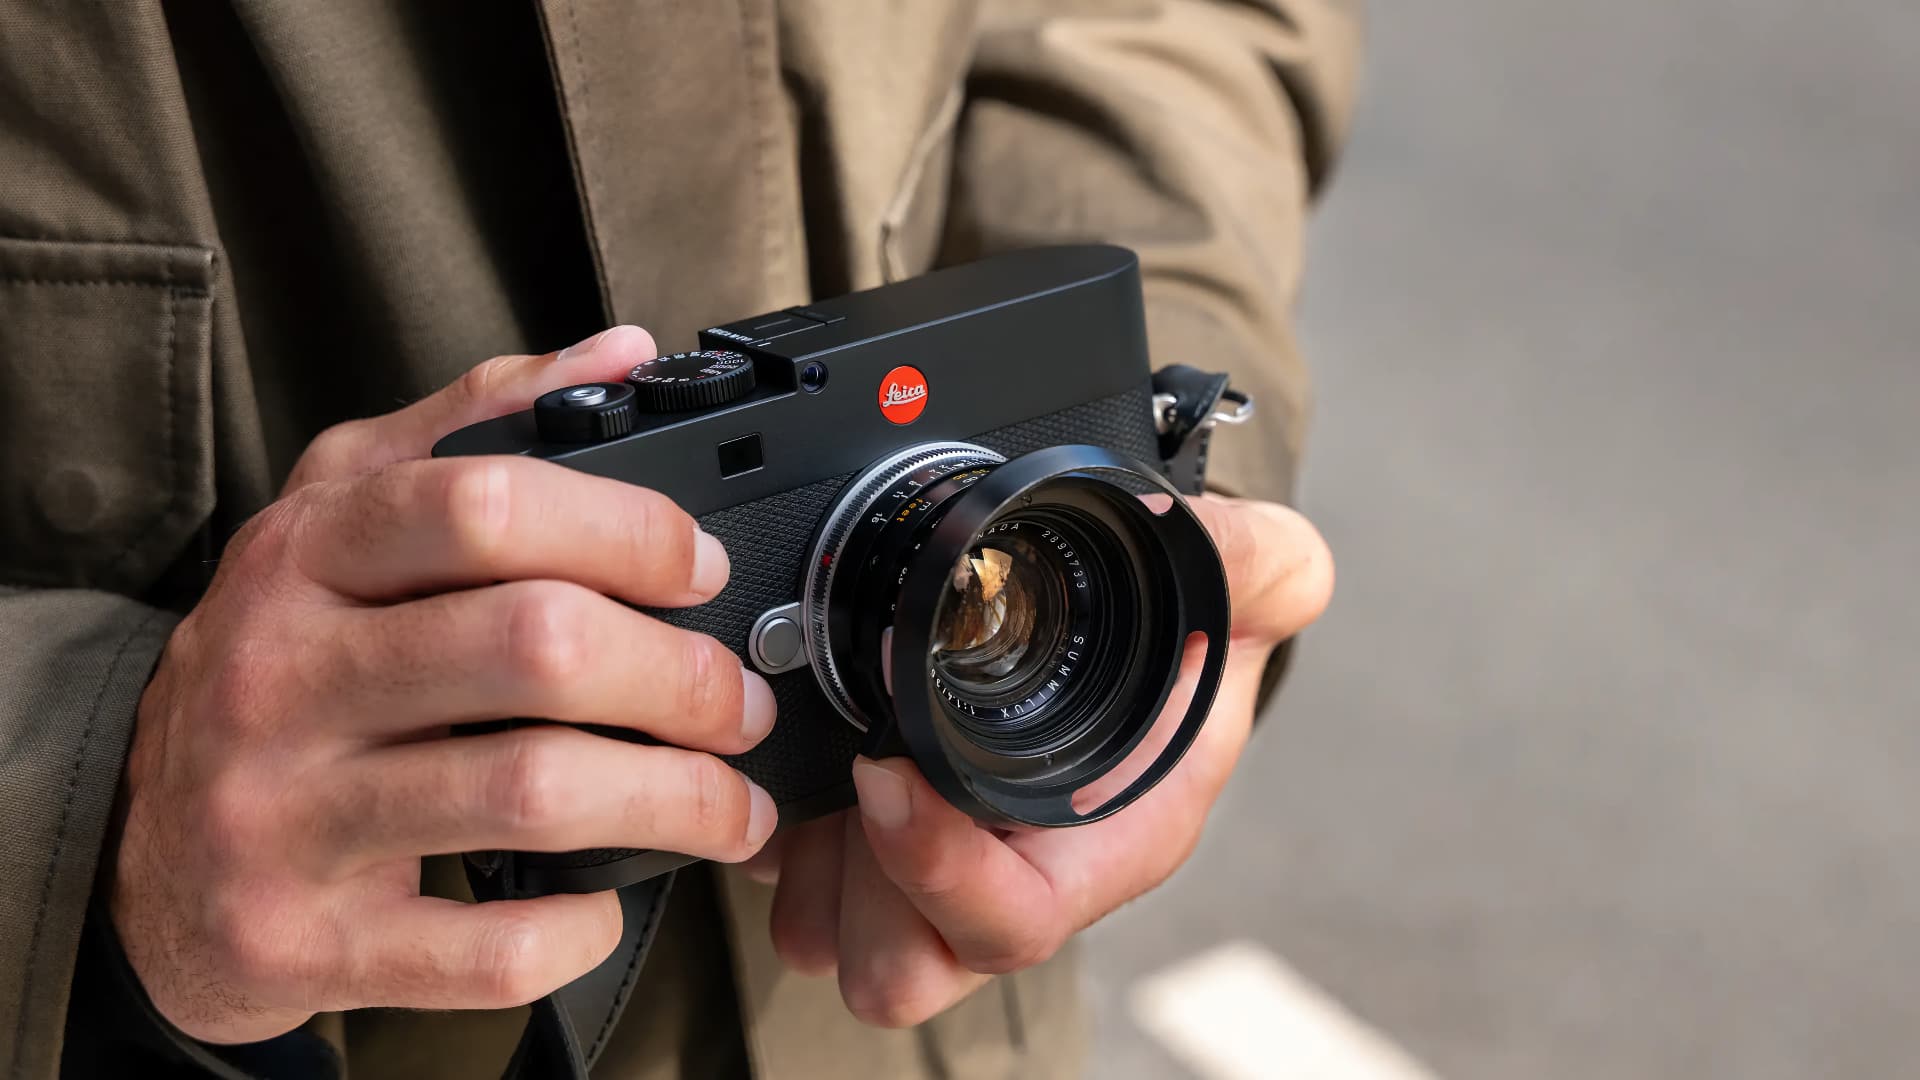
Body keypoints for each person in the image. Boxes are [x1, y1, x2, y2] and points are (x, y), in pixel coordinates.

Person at [0, 2, 1358, 1077]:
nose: (983, 602)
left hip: (919, 1025)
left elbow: (1164, 25)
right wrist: (87, 811)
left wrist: (1152, 458)